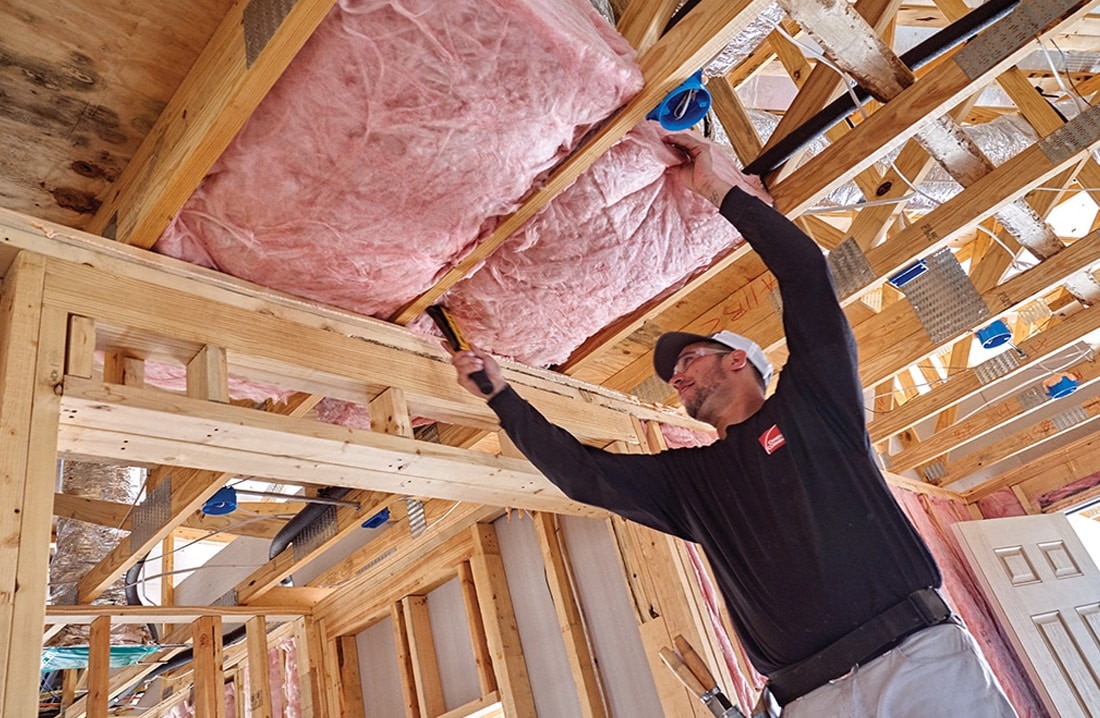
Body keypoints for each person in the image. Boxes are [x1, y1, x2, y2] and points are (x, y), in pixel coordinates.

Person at [449, 132, 1016, 717]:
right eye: (673, 375)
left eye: (688, 359)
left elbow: (805, 278)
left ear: (738, 359)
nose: (675, 378)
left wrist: (720, 190)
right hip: (809, 700)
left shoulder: (814, 407)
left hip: (918, 663)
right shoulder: (689, 482)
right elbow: (583, 475)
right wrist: (503, 397)